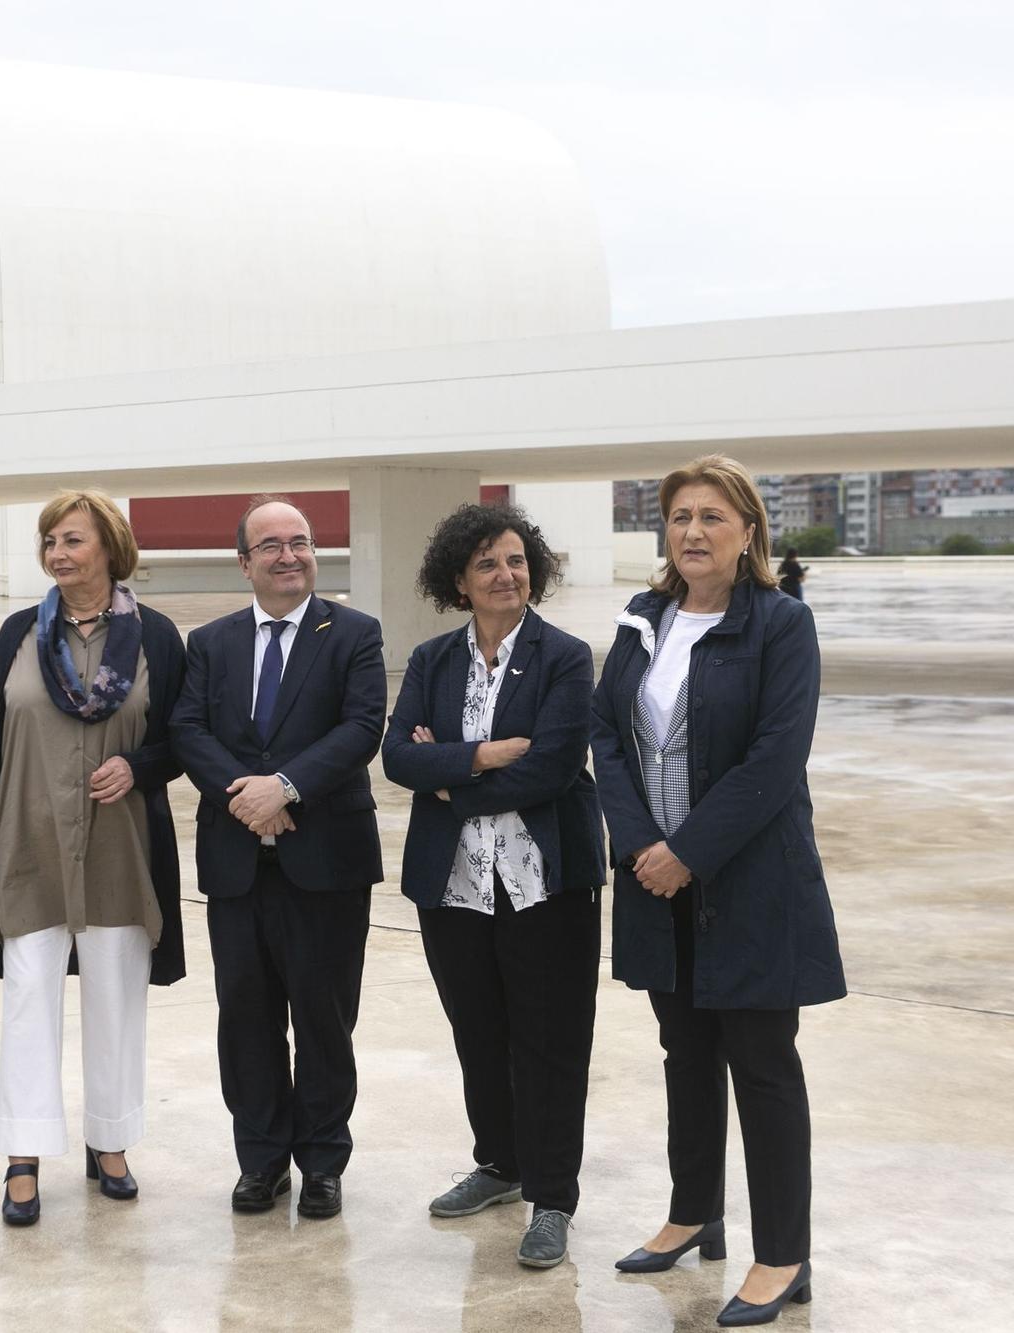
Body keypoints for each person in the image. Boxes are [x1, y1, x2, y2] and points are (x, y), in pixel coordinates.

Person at [591, 454, 846, 1327]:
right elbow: (607, 736)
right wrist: (640, 845)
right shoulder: (643, 619)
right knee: (685, 1054)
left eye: (712, 517)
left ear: (748, 531)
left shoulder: (780, 625)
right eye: (679, 517)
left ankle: (783, 1254)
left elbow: (776, 759)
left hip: (751, 883)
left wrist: (688, 851)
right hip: (655, 881)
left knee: (764, 1067)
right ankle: (692, 1210)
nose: (693, 532)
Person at [0, 490, 188, 1226]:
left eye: (72, 539)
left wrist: (141, 769)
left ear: (110, 548)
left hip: (120, 845)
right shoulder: (21, 631)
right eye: (49, 539)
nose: (58, 552)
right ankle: (23, 1152)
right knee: (28, 995)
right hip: (27, 838)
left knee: (116, 991)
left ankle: (109, 1142)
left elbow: (184, 735)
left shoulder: (155, 635)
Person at [380, 503, 603, 1269]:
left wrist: (447, 771)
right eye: (487, 564)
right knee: (479, 1031)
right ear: (459, 582)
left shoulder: (566, 657)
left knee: (552, 1040)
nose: (506, 574)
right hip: (456, 885)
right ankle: (501, 1165)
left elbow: (550, 765)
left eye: (515, 560)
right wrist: (479, 759)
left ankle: (552, 1197)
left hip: (547, 883)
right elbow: (397, 757)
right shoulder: (434, 660)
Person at [170, 495, 385, 1220]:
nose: (289, 554)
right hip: (237, 863)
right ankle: (260, 1160)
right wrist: (249, 795)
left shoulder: (353, 631)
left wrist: (287, 786)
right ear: (244, 562)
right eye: (271, 545)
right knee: (247, 1018)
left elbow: (361, 727)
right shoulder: (211, 643)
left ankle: (323, 1161)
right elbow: (188, 729)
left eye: (300, 542)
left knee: (325, 1019)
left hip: (325, 860)